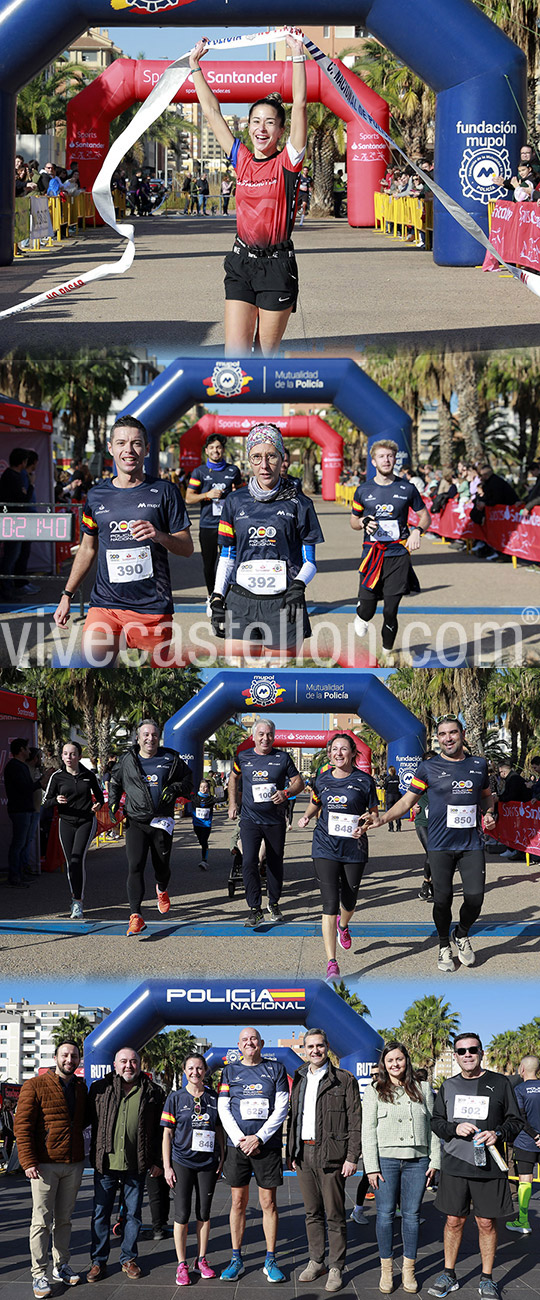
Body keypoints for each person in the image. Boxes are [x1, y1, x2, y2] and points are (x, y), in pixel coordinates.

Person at [188, 33, 307, 355]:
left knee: (264, 356)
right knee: (236, 356)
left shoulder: (288, 162)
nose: (262, 128)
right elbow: (212, 112)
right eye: (256, 121)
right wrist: (194, 66)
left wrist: (297, 55)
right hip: (240, 263)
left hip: (277, 268)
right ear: (248, 126)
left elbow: (299, 104)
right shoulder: (241, 159)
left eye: (270, 123)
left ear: (281, 130)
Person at [53, 415, 193, 667]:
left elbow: (187, 548)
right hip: (105, 605)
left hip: (152, 607)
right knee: (93, 670)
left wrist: (159, 535)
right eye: (121, 443)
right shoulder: (96, 496)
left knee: (158, 685)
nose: (129, 450)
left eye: (137, 443)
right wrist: (67, 594)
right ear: (111, 448)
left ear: (147, 449)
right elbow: (87, 548)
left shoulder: (165, 492)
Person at [363, 717, 497, 972]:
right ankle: (444, 945)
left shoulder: (478, 766)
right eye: (442, 734)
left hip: (471, 844)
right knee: (442, 899)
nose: (447, 738)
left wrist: (490, 814)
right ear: (437, 738)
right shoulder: (428, 768)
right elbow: (405, 802)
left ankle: (461, 933)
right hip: (439, 845)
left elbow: (487, 798)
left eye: (453, 733)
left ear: (463, 734)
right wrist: (382, 818)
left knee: (475, 898)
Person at [211, 423, 324, 659]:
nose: (264, 465)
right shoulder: (234, 501)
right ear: (249, 459)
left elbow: (310, 562)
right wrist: (217, 597)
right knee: (240, 674)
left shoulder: (300, 503)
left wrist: (299, 585)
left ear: (282, 458)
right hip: (241, 601)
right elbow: (227, 556)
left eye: (271, 456)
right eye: (256, 457)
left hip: (284, 602)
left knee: (280, 680)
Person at [428, 1032, 523, 1300]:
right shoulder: (448, 1085)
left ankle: (487, 1278)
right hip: (455, 1165)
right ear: (455, 1056)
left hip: (489, 1166)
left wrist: (498, 1134)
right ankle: (449, 1273)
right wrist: (454, 1128)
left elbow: (515, 1122)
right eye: (461, 1051)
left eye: (473, 1049)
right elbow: (436, 1122)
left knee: (486, 1223)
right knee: (453, 1220)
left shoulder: (500, 1083)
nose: (467, 1054)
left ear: (481, 1053)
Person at [297, 733, 378, 982]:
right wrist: (307, 816)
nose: (338, 753)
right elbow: (316, 802)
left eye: (344, 749)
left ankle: (344, 925)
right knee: (329, 905)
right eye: (334, 749)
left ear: (353, 753)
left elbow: (374, 816)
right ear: (329, 753)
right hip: (325, 846)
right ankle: (332, 963)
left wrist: (363, 827)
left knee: (349, 901)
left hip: (354, 848)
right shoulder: (321, 779)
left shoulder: (365, 781)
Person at [287, 1027, 361, 1293]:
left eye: (319, 1046)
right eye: (310, 1047)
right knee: (312, 1213)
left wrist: (352, 1156)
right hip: (304, 1155)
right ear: (304, 1050)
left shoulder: (343, 1079)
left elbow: (355, 1120)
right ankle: (316, 1260)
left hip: (332, 1155)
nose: (315, 1051)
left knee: (334, 1215)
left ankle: (335, 1267)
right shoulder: (299, 1078)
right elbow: (294, 1119)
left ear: (327, 1047)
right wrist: (292, 1153)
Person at [362, 1041, 440, 1294]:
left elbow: (434, 1127)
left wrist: (435, 1161)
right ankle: (386, 1270)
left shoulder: (423, 1088)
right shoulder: (374, 1090)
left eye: (399, 1059)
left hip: (418, 1161)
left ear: (407, 1060)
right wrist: (371, 1167)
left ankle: (409, 1270)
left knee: (412, 1215)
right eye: (390, 1060)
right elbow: (367, 1131)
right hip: (386, 1161)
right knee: (384, 1215)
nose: (395, 1064)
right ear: (384, 1065)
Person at [14, 1040, 88, 1298]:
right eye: (65, 1055)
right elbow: (21, 1125)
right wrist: (28, 1161)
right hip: (44, 1165)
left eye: (75, 1056)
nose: (70, 1059)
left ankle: (61, 1266)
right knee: (41, 1221)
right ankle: (38, 1274)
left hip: (73, 1163)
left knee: (65, 1220)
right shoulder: (34, 1085)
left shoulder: (80, 1087)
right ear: (55, 1057)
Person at [217, 1026, 289, 1282]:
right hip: (238, 1148)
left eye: (254, 1039)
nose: (250, 1042)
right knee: (238, 1203)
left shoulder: (276, 1068)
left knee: (268, 1203)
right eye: (245, 1040)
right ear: (239, 1046)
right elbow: (223, 1108)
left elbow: (282, 1107)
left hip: (266, 1147)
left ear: (261, 1043)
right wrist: (240, 1140)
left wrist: (259, 1138)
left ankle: (270, 1260)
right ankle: (236, 1259)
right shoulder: (229, 1071)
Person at [108, 718, 193, 936]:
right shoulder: (128, 760)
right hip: (136, 821)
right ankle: (135, 916)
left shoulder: (170, 758)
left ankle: (162, 889)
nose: (150, 738)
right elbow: (115, 781)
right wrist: (113, 802)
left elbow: (188, 781)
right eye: (146, 734)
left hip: (162, 822)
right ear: (138, 737)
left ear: (158, 737)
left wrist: (175, 788)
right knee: (135, 865)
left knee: (161, 866)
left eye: (154, 734)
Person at [87, 1046, 164, 1283]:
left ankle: (128, 1258)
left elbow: (161, 1132)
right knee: (100, 1214)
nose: (128, 1065)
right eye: (123, 1061)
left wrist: (158, 1160)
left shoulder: (153, 1091)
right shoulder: (100, 1089)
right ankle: (98, 1262)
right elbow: (86, 1120)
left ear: (140, 1064)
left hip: (136, 1164)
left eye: (133, 1061)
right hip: (106, 1163)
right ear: (114, 1064)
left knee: (134, 1215)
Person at [351, 440, 431, 663]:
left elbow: (426, 516)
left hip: (398, 556)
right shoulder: (363, 490)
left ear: (395, 459)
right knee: (368, 610)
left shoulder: (407, 488)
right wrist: (363, 521)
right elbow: (354, 521)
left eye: (390, 456)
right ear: (374, 461)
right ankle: (361, 614)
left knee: (390, 611)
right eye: (382, 456)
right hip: (372, 555)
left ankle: (387, 652)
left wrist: (417, 531)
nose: (386, 460)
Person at [228, 718, 304, 927]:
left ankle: (274, 902)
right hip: (250, 819)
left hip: (275, 821)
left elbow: (299, 782)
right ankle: (254, 908)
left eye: (269, 734)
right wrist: (233, 803)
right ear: (253, 736)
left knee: (274, 863)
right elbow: (233, 778)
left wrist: (286, 792)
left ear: (274, 736)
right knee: (248, 861)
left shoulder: (282, 758)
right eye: (261, 734)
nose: (265, 738)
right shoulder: (243, 757)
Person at [161, 1052, 225, 1285]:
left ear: (205, 1071)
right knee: (181, 1215)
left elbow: (219, 1130)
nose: (195, 1072)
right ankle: (181, 1264)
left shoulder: (213, 1098)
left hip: (207, 1164)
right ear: (184, 1071)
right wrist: (167, 1166)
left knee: (204, 1214)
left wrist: (222, 1158)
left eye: (199, 1068)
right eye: (191, 1068)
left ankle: (201, 1260)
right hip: (182, 1163)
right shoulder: (175, 1098)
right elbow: (167, 1134)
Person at [43, 740, 104, 919]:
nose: (68, 757)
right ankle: (75, 899)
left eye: (72, 754)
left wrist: (97, 805)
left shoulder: (89, 776)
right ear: (62, 756)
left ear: (79, 756)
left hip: (86, 821)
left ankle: (78, 901)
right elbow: (45, 802)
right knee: (71, 862)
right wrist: (56, 800)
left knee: (78, 859)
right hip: (66, 822)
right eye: (65, 754)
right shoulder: (57, 777)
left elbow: (100, 798)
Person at [184, 432, 241, 607]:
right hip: (208, 524)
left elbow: (241, 494)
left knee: (231, 562)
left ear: (223, 450)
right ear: (207, 451)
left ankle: (229, 596)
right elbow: (188, 498)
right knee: (209, 564)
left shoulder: (233, 470)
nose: (215, 451)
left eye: (218, 447)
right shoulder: (199, 472)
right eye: (212, 448)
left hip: (229, 525)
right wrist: (207, 495)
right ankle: (212, 596)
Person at [506, 1055, 540, 1235]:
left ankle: (523, 1221)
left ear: (522, 1069)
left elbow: (519, 1118)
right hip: (531, 1140)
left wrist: (536, 1136)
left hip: (526, 1142)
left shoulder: (519, 1089)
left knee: (524, 1181)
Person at [3, 737, 43, 887]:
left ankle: (20, 873)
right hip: (19, 810)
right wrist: (40, 782)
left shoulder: (21, 766)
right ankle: (15, 876)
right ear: (21, 750)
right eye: (26, 748)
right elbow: (24, 788)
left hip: (25, 809)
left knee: (23, 843)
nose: (28, 751)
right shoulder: (14, 766)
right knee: (18, 844)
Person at [189, 778, 215, 871]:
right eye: (201, 787)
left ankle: (204, 860)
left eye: (205, 787)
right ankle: (204, 852)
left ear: (208, 789)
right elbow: (184, 795)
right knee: (201, 841)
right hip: (197, 825)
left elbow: (222, 798)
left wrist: (226, 790)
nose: (203, 789)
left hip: (206, 825)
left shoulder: (210, 799)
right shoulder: (195, 797)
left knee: (204, 841)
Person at [383, 766, 402, 832]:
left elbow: (385, 787)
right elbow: (398, 784)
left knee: (390, 812)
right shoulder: (397, 777)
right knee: (397, 812)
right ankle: (398, 827)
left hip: (390, 795)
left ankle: (391, 827)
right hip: (396, 795)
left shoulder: (387, 778)